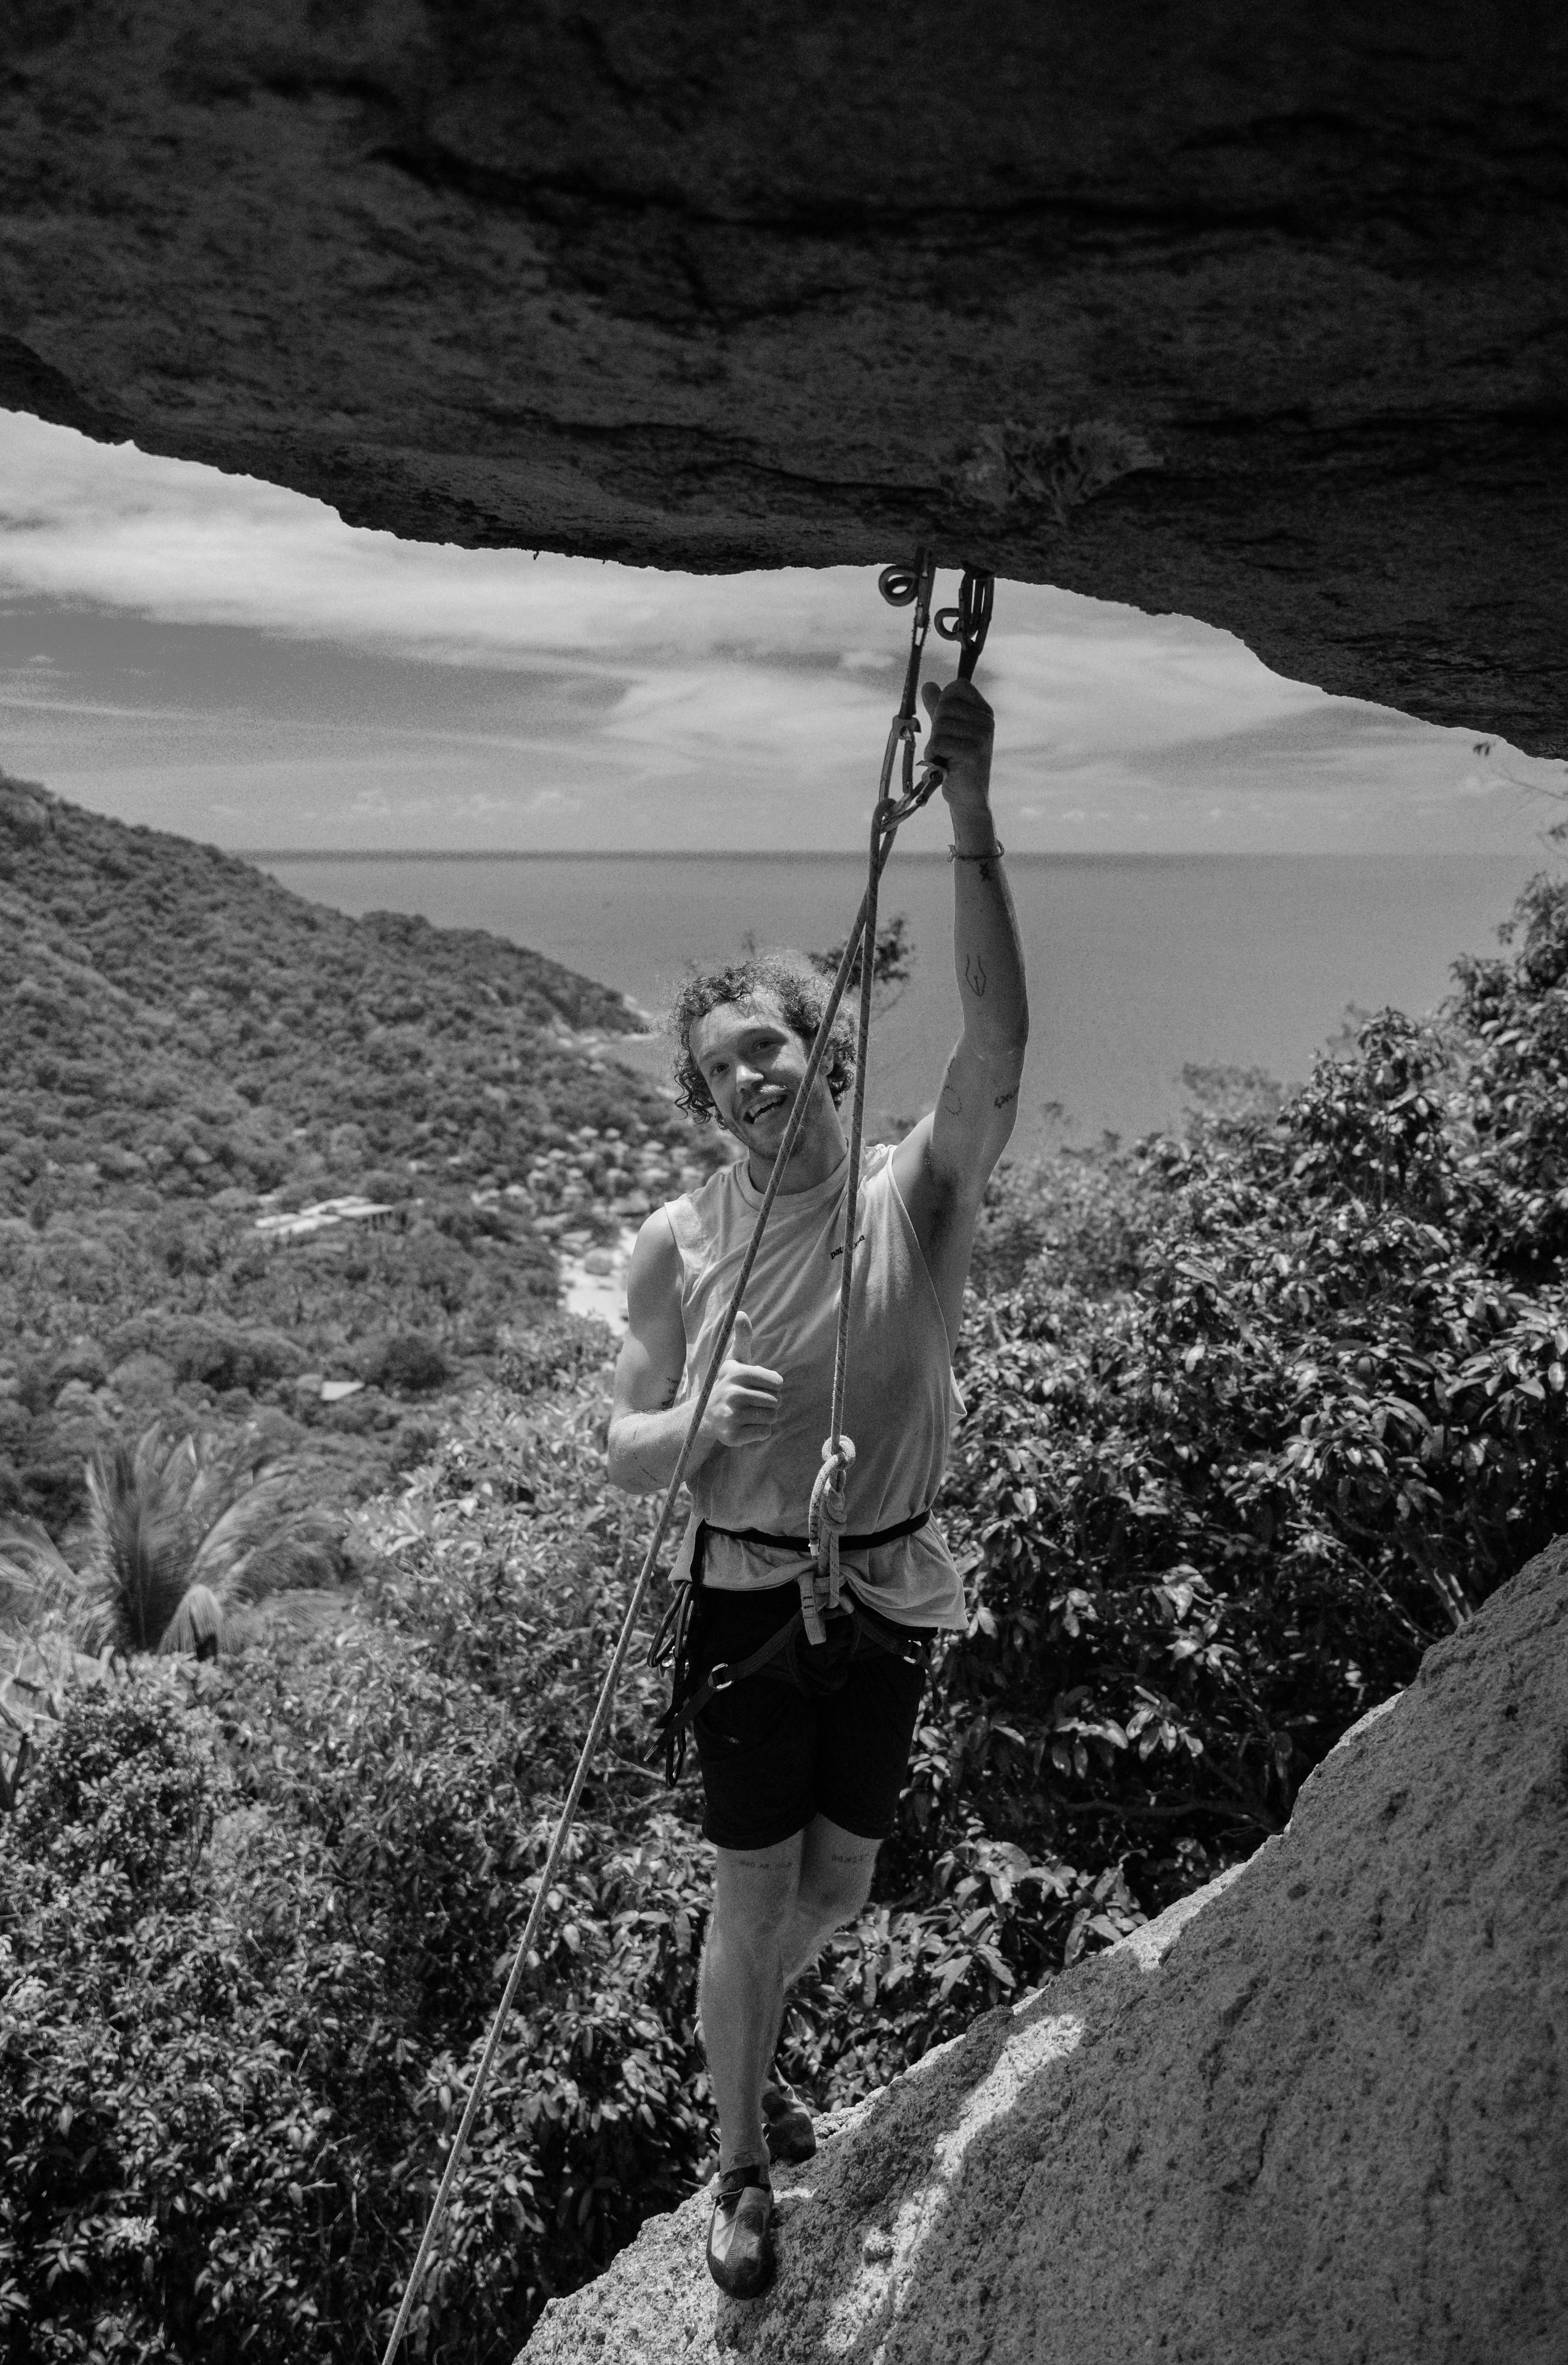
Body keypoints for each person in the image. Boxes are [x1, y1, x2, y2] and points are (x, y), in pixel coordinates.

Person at [606, 674, 1028, 2298]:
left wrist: (970, 813)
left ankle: (739, 2019)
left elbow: (998, 1041)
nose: (753, 1081)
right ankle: (738, 2162)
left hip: (894, 1579)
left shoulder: (912, 1196)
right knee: (757, 1878)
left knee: (839, 1884)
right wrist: (700, 1422)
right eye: (722, 1074)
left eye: (768, 1046)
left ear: (820, 1042)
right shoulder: (681, 1241)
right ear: (703, 1103)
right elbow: (622, 1449)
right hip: (748, 1586)